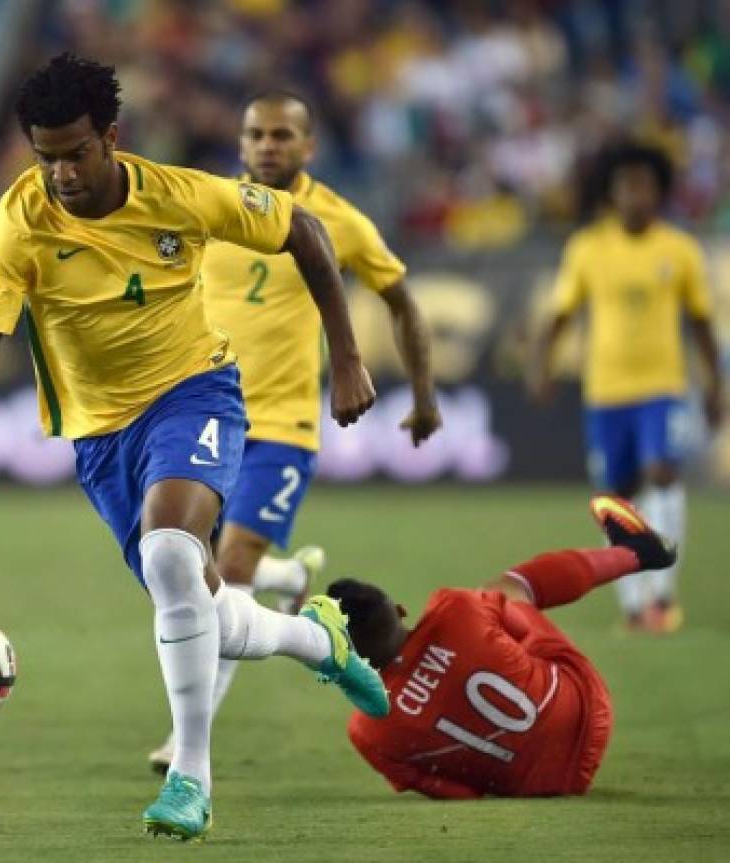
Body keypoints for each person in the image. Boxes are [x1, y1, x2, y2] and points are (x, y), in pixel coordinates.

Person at [0, 53, 388, 842]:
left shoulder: (178, 195)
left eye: (76, 152)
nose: (62, 174)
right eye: (45, 158)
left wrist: (345, 356)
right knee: (202, 606)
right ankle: (320, 637)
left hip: (194, 392)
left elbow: (303, 230)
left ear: (110, 136)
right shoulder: (17, 223)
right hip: (100, 437)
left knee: (174, 555)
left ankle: (191, 778)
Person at [147, 91, 440, 773]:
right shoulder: (208, 207)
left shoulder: (338, 220)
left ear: (309, 147)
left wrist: (423, 397)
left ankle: (188, 740)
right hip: (201, 414)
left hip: (283, 424)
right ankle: (291, 572)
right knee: (188, 564)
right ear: (241, 144)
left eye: (283, 135)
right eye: (256, 134)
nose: (268, 146)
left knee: (232, 566)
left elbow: (402, 304)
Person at [336, 495, 677, 799]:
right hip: (587, 705)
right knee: (507, 592)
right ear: (399, 611)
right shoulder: (454, 607)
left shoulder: (367, 732)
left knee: (488, 632)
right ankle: (637, 550)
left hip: (546, 783)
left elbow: (459, 792)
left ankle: (637, 549)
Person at [529, 142, 722, 634]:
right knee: (617, 495)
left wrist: (716, 384)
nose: (636, 193)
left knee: (661, 473)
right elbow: (561, 316)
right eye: (627, 184)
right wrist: (542, 366)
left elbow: (700, 322)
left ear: (659, 191)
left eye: (645, 184)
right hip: (606, 394)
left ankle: (663, 597)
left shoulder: (678, 249)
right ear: (612, 193)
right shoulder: (588, 248)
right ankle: (634, 607)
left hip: (662, 388)